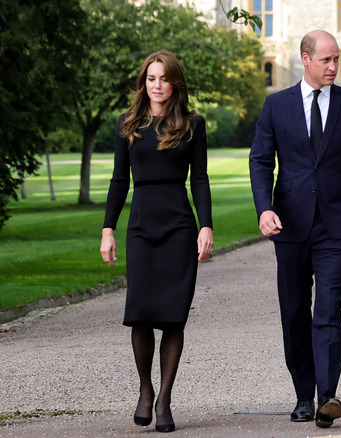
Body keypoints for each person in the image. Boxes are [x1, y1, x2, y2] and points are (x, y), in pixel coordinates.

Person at [249, 30, 341, 428]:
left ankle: (328, 395)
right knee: (294, 312)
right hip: (289, 225)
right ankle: (303, 395)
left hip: (337, 225)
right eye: (326, 60)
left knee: (328, 310)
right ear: (305, 59)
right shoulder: (276, 106)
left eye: (337, 59)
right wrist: (264, 209)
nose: (333, 67)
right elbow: (260, 162)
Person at [100, 50, 213, 433]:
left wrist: (206, 225)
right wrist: (107, 229)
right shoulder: (128, 124)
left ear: (175, 82)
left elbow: (200, 179)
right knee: (142, 313)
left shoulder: (193, 124)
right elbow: (119, 181)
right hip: (142, 227)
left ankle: (164, 399)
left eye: (164, 78)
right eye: (151, 78)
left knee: (172, 316)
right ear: (143, 82)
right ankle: (145, 390)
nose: (157, 85)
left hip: (179, 225)